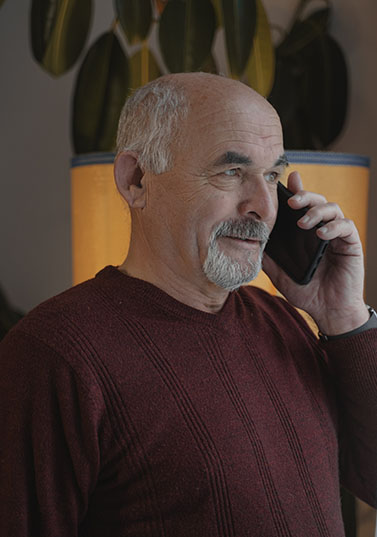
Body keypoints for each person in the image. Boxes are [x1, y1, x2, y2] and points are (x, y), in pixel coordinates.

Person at [0, 72, 376, 537]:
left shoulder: (282, 322)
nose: (264, 205)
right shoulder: (54, 353)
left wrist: (345, 318)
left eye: (273, 175)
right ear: (136, 180)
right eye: (231, 172)